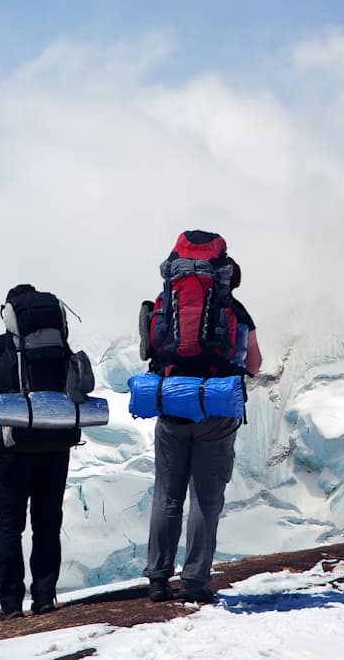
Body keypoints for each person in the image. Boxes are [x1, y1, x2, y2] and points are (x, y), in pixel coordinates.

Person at [141, 231, 262, 605]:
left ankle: (158, 580)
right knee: (205, 501)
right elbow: (254, 364)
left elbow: (148, 350)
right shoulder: (236, 311)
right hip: (216, 409)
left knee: (166, 497)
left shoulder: (164, 304)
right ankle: (194, 580)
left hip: (173, 407)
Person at [0, 283, 90, 620]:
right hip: (55, 444)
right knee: (47, 521)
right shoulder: (60, 348)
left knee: (10, 526)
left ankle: (10, 605)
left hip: (14, 445)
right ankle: (44, 597)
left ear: (9, 313)